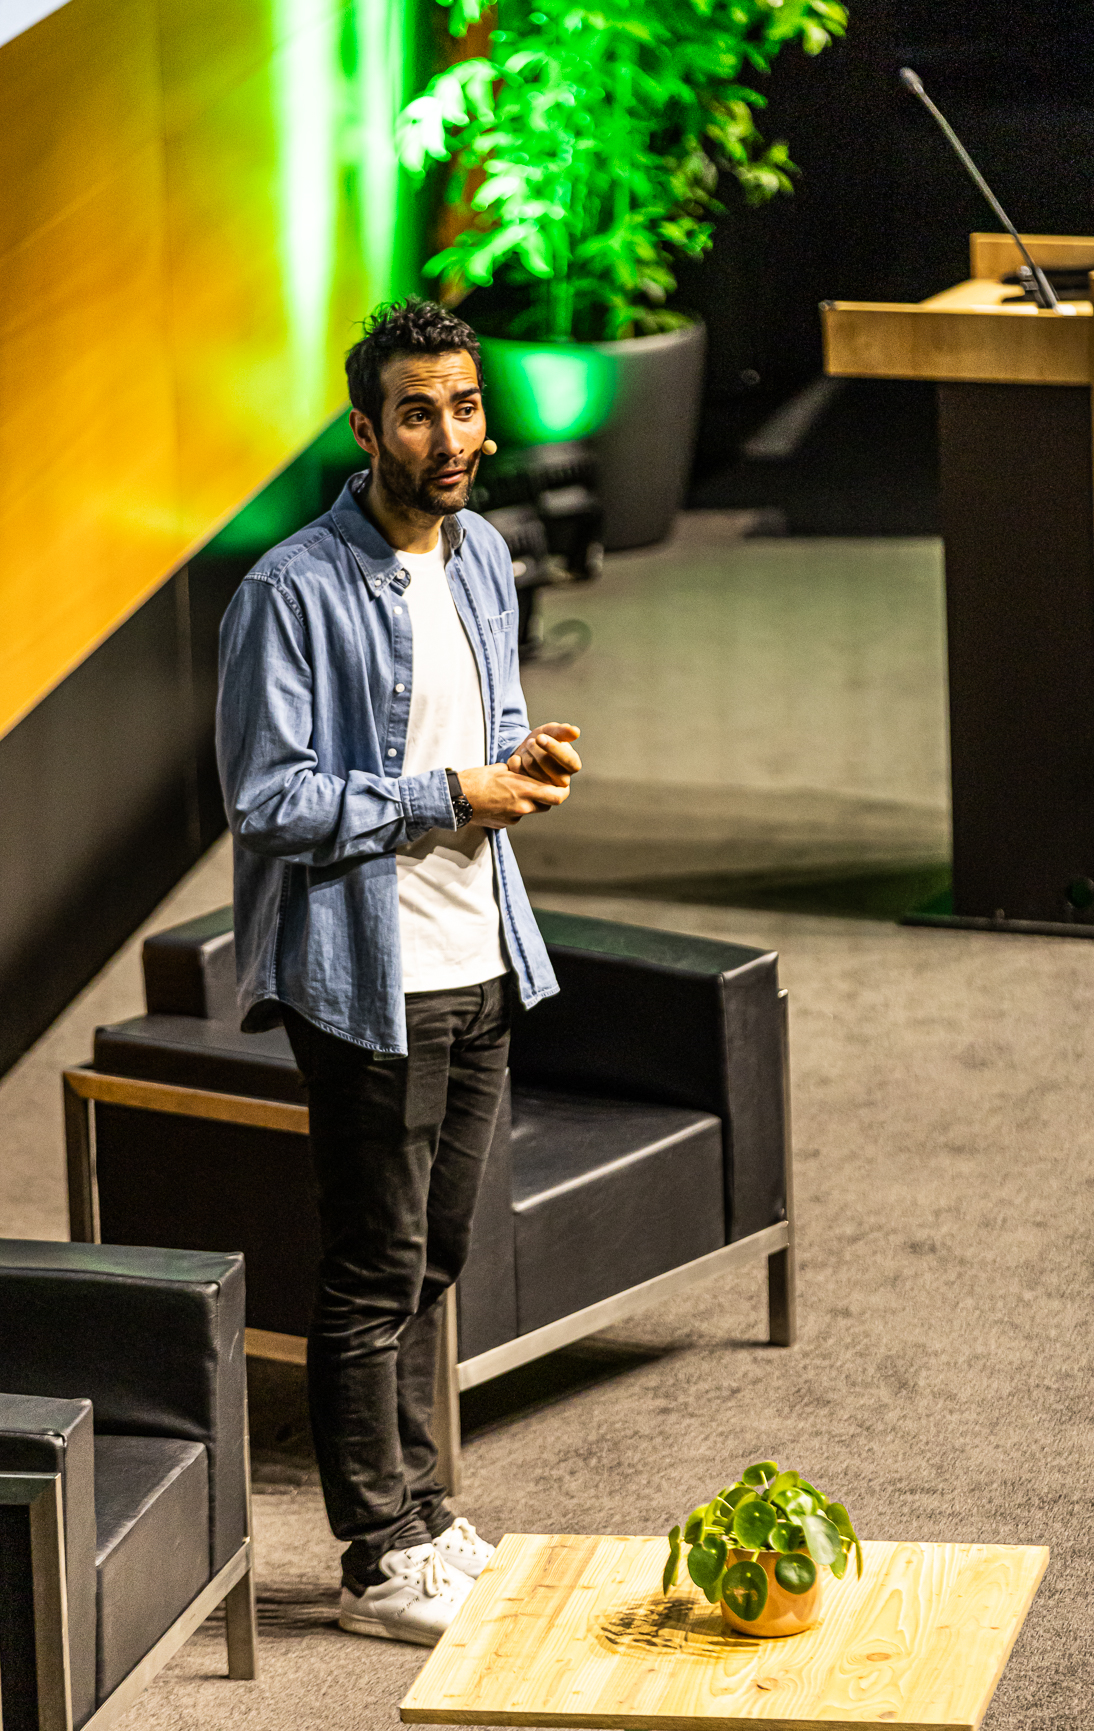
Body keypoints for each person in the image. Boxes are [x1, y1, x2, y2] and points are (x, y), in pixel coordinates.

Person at [216, 297, 582, 1646]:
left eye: (465, 407)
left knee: (439, 1254)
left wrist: (520, 764)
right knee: (374, 1266)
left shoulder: (482, 552)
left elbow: (486, 725)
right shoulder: (290, 591)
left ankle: (427, 1515)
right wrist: (449, 793)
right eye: (417, 413)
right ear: (367, 431)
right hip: (368, 977)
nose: (449, 437)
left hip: (482, 948)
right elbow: (268, 800)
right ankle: (376, 1553)